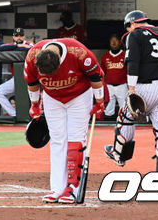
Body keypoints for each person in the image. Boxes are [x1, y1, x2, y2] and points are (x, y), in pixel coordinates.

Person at [25, 36, 105, 204]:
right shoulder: (32, 56)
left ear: (60, 62)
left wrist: (99, 102)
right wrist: (34, 104)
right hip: (52, 97)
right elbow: (32, 82)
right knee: (57, 140)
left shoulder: (80, 53)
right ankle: (57, 188)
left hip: (79, 95)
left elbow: (96, 78)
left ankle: (72, 187)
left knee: (75, 138)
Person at [104, 10, 158, 172]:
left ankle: (119, 156)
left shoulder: (135, 35)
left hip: (144, 86)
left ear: (132, 24)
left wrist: (131, 89)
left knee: (125, 118)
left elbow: (133, 63)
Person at [0, 28, 31, 116]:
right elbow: (1, 48)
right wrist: (18, 46)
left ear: (24, 36)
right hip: (17, 78)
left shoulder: (29, 44)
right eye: (16, 36)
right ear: (13, 37)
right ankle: (14, 114)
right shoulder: (12, 45)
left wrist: (21, 47)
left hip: (30, 77)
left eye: (21, 36)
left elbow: (30, 48)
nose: (19, 38)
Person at [101, 34, 127, 118]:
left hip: (122, 85)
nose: (114, 42)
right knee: (108, 111)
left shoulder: (125, 55)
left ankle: (124, 129)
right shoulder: (105, 56)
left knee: (125, 110)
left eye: (116, 40)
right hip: (109, 86)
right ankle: (108, 129)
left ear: (120, 42)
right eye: (112, 41)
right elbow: (102, 72)